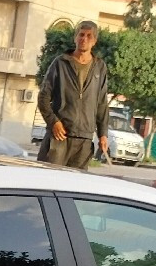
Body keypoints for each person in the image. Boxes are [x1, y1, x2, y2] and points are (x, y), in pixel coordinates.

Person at [36, 21, 109, 169]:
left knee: (75, 185)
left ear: (94, 41)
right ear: (75, 37)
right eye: (81, 35)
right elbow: (43, 97)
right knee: (48, 180)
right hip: (60, 136)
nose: (84, 39)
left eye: (89, 36)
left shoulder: (100, 67)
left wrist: (103, 134)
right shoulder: (60, 63)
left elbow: (101, 103)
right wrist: (53, 122)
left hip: (84, 138)